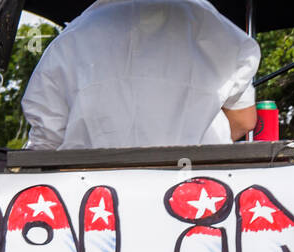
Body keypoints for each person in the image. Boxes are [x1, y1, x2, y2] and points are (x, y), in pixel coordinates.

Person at [20, 0, 260, 150]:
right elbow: (244, 121)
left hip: (95, 199)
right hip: (194, 192)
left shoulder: (71, 38)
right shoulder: (220, 31)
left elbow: (46, 140)